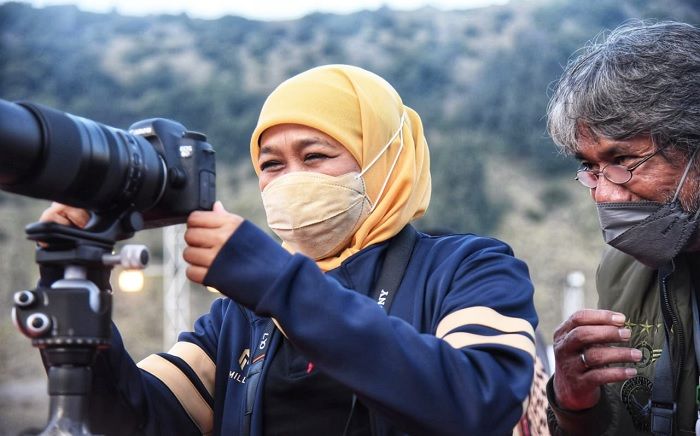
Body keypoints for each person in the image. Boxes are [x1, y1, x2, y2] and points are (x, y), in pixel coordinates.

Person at [38, 64, 537, 435]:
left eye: (316, 155)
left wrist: (277, 283)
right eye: (272, 164)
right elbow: (135, 420)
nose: (291, 180)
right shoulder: (236, 316)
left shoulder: (470, 267)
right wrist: (77, 293)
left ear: (385, 161)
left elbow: (481, 401)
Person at [545, 21, 700, 435]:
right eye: (591, 169)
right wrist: (576, 404)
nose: (604, 196)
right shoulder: (622, 268)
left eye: (623, 161)